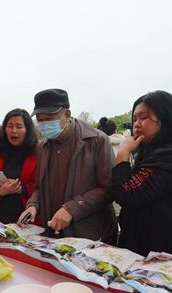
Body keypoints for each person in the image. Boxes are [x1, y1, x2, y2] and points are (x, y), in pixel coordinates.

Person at [112, 91, 172, 258]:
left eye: (143, 118)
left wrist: (122, 154)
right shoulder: (154, 151)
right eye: (135, 119)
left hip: (165, 252)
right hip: (147, 243)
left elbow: (127, 194)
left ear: (166, 119)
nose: (136, 124)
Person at [19, 89, 117, 243]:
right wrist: (33, 206)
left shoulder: (96, 141)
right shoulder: (43, 147)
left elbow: (108, 188)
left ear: (67, 114)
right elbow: (39, 187)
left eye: (49, 118)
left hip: (91, 235)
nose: (44, 124)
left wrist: (72, 208)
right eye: (40, 119)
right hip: (55, 234)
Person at [0, 109, 38, 224]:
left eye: (19, 126)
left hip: (26, 218)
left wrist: (20, 188)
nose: (14, 131)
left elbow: (43, 187)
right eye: (10, 126)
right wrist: (0, 191)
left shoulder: (38, 152)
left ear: (28, 129)